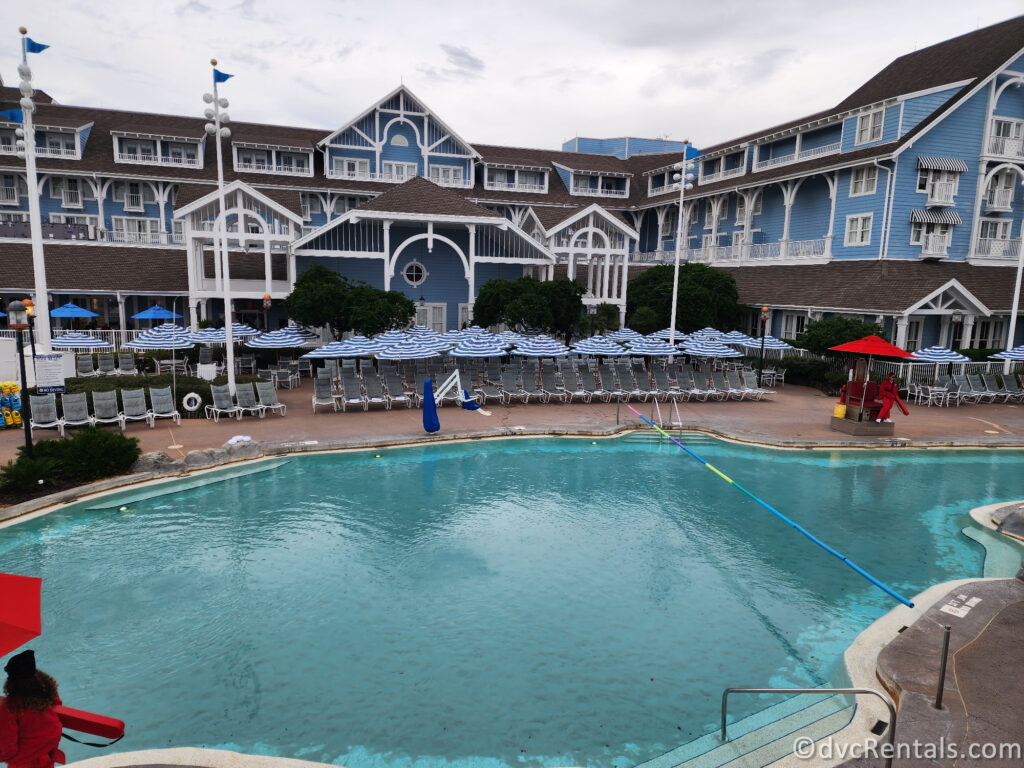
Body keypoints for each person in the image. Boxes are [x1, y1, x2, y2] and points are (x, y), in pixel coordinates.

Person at [0, 651, 63, 768]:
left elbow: (8, 748)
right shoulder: (48, 692)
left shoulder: (10, 707)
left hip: (23, 762)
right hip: (48, 755)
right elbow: (57, 705)